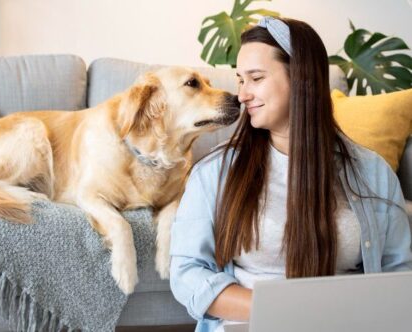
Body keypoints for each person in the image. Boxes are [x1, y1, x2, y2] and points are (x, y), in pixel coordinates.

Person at [169, 16, 412, 332]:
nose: (242, 94)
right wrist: (284, 312)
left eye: (255, 78)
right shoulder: (214, 174)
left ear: (302, 78)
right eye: (240, 79)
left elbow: (398, 272)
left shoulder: (372, 172)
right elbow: (187, 273)